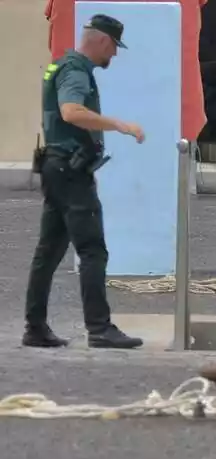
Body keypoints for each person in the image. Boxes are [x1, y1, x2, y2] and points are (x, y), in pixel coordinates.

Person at [24, 14, 143, 350]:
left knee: (48, 251)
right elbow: (71, 111)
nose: (115, 55)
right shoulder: (76, 70)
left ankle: (35, 327)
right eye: (114, 47)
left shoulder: (62, 64)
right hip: (70, 172)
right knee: (92, 250)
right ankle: (99, 328)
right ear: (103, 41)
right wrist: (119, 125)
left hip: (56, 168)